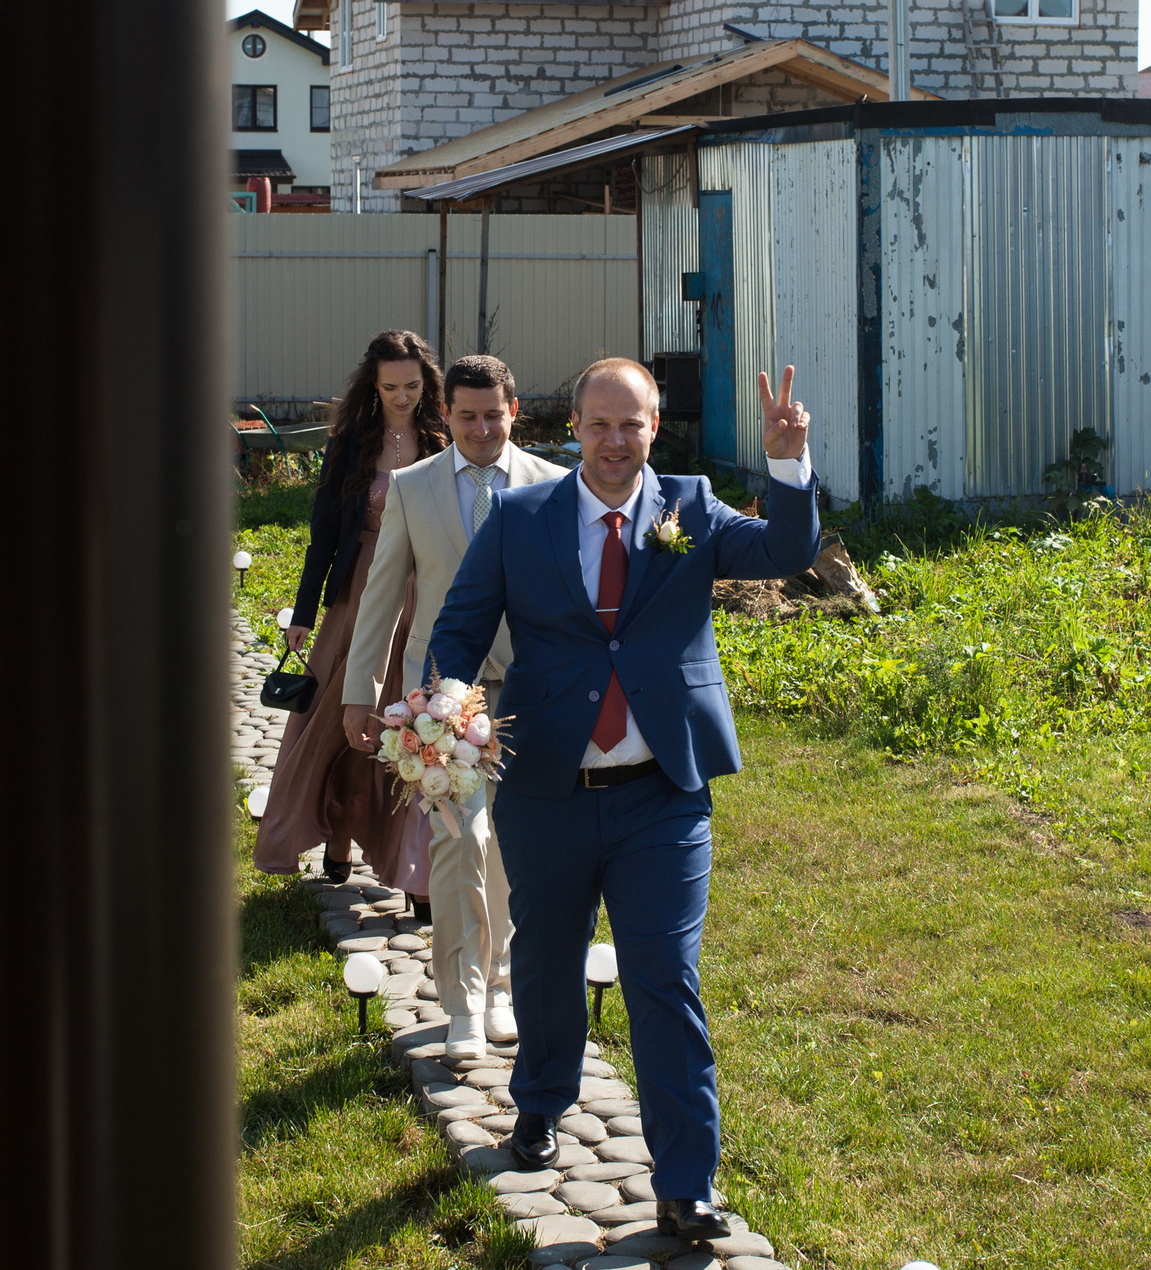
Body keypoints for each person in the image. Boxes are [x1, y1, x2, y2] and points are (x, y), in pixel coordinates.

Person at [422, 357, 819, 1243]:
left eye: (630, 425)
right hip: (547, 787)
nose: (613, 441)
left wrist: (788, 465)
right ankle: (541, 1101)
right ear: (573, 427)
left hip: (662, 797)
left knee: (664, 979)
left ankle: (686, 1181)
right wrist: (444, 707)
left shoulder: (692, 506)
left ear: (654, 426)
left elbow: (787, 553)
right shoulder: (520, 516)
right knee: (547, 957)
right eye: (598, 424)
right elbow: (460, 625)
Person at [343, 354, 565, 1060]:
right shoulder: (414, 487)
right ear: (448, 416)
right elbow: (381, 596)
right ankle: (462, 1000)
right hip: (444, 698)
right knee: (459, 841)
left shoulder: (555, 487)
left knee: (510, 850)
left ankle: (502, 987)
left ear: (515, 409)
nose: (478, 428)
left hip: (531, 694)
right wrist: (360, 692)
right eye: (464, 416)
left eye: (491, 415)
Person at [252, 330, 447, 899]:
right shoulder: (351, 442)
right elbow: (321, 538)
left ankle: (413, 866)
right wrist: (305, 613)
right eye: (391, 387)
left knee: (416, 723)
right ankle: (336, 836)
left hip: (424, 593)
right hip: (356, 595)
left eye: (412, 385)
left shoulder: (442, 438)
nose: (403, 396)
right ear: (374, 385)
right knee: (338, 724)